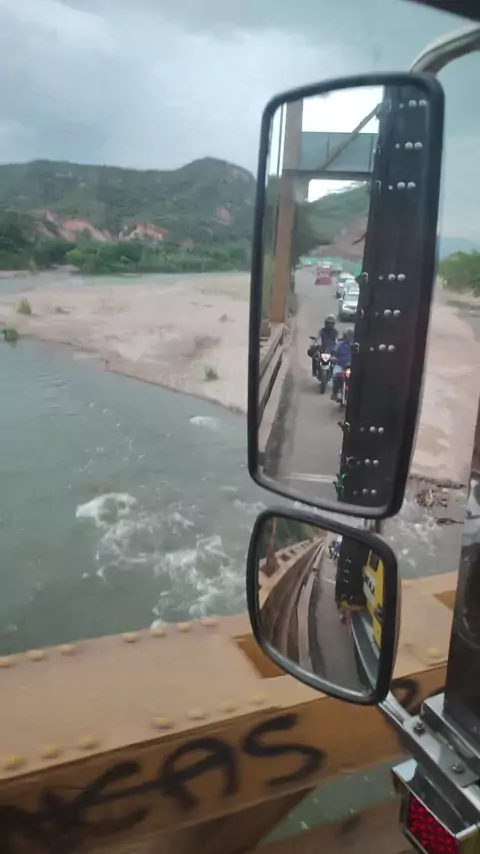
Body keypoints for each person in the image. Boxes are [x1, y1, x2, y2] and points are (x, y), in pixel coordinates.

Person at [331, 328, 354, 399]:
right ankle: (334, 393)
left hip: (351, 367)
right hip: (340, 366)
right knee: (335, 377)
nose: (349, 337)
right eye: (348, 335)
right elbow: (334, 353)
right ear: (344, 336)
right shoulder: (340, 344)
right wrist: (333, 358)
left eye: (351, 336)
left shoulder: (355, 346)